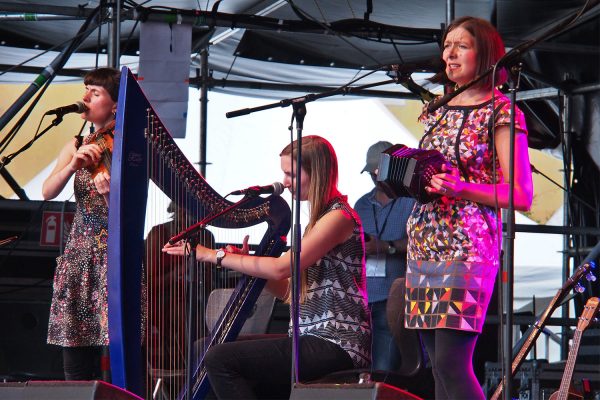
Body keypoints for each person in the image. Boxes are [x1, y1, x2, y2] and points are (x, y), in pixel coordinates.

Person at [163, 135, 371, 400]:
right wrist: (246, 265)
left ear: (316, 173)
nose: (284, 183)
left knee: (220, 359)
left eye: (291, 174)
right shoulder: (317, 221)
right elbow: (289, 292)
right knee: (206, 348)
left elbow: (281, 268)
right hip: (311, 338)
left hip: (337, 342)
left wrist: (212, 255)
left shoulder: (339, 217)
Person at [405, 16, 533, 399]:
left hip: (467, 246)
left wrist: (462, 187)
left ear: (488, 55)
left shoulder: (502, 111)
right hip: (424, 242)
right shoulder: (436, 110)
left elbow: (522, 194)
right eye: (447, 45)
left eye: (462, 45)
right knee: (436, 369)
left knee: (451, 363)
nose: (450, 53)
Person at [43, 67, 120, 380]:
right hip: (78, 256)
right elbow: (48, 191)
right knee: (75, 355)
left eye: (95, 93)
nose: (85, 98)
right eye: (86, 89)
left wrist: (109, 196)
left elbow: (127, 213)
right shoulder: (77, 143)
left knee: (117, 351)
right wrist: (71, 166)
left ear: (115, 104)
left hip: (112, 259)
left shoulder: (125, 145)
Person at [354, 141, 415, 371]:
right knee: (359, 371)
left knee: (383, 371)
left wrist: (386, 246)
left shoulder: (412, 202)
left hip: (395, 298)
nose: (374, 178)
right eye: (371, 173)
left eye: (378, 173)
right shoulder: (360, 205)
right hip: (361, 300)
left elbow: (423, 245)